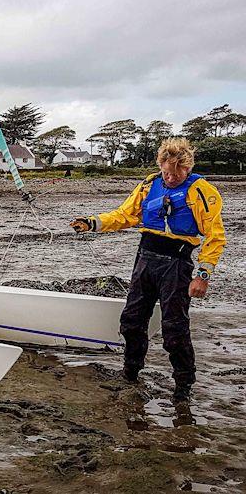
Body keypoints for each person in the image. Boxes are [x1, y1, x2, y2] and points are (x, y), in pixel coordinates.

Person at [70, 137, 226, 402]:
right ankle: (130, 373)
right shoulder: (148, 185)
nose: (172, 178)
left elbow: (215, 236)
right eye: (167, 172)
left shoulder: (202, 191)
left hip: (177, 264)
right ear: (160, 164)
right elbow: (124, 215)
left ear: (187, 169)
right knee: (131, 321)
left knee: (174, 329)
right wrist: (92, 222)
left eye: (178, 173)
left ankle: (183, 387)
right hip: (145, 259)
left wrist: (202, 275)